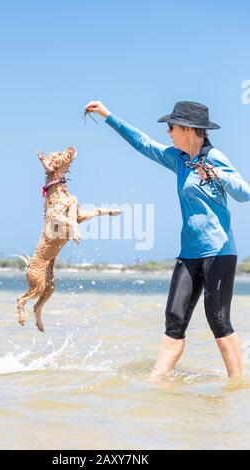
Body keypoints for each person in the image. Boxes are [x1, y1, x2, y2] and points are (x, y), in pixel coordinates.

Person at [84, 99, 250, 379]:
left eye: (171, 127)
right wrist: (107, 115)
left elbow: (244, 193)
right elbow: (144, 144)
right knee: (174, 318)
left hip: (219, 252)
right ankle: (156, 381)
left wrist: (216, 174)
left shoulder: (215, 157)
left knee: (218, 321)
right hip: (188, 254)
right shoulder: (178, 159)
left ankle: (238, 385)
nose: (168, 132)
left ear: (188, 129)